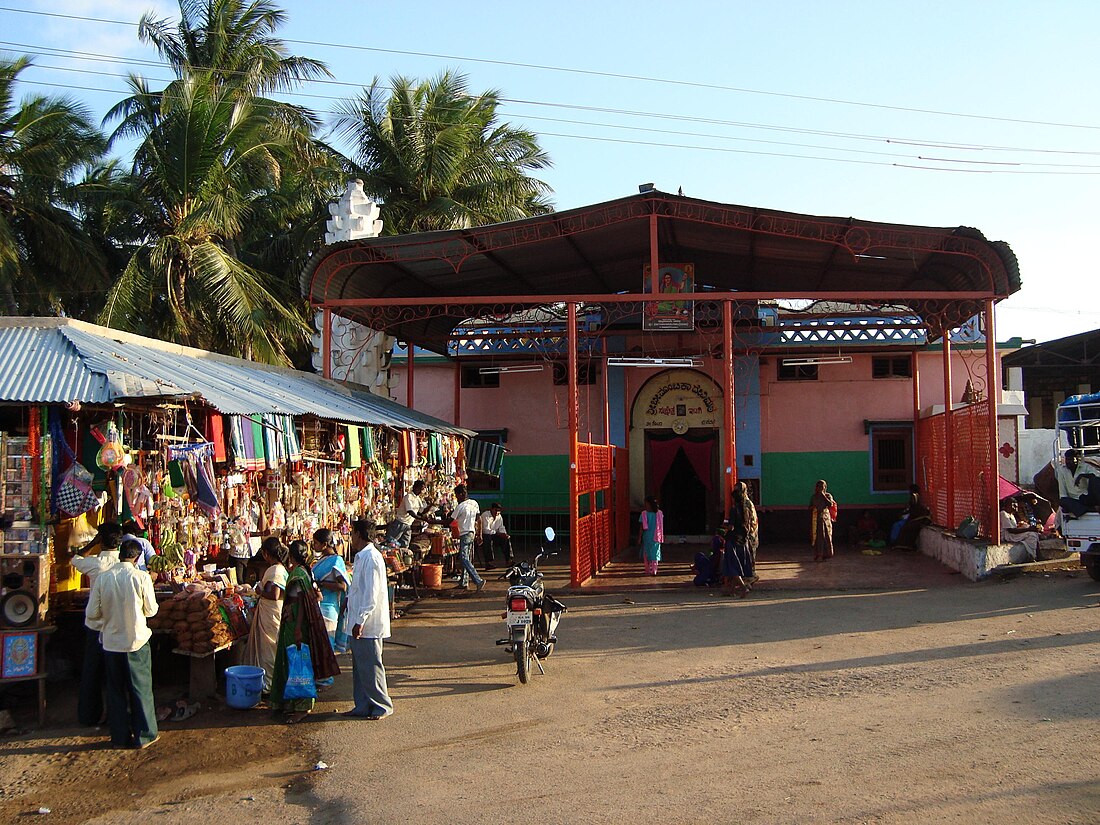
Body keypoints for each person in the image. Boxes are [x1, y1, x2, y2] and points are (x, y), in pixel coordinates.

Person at [84, 539, 159, 748]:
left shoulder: (103, 578)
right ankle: (145, 735)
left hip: (111, 643)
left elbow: (91, 613)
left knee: (115, 691)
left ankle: (119, 737)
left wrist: (107, 617)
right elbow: (152, 610)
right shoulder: (141, 577)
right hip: (136, 642)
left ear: (120, 555)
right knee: (141, 689)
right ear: (136, 558)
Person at [269, 541, 339, 722]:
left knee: (297, 664)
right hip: (295, 623)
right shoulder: (305, 571)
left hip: (296, 625)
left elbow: (300, 603)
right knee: (294, 661)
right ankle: (292, 702)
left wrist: (298, 628)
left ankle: (302, 706)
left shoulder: (299, 574)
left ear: (291, 555)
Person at [72, 522, 124, 727]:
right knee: (116, 673)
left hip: (97, 627)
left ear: (100, 540)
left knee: (91, 671)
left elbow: (74, 559)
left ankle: (89, 715)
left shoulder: (96, 563)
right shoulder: (126, 563)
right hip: (118, 626)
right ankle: (116, 715)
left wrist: (89, 546)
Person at [343, 518, 394, 720]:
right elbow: (359, 588)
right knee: (360, 668)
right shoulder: (362, 556)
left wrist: (360, 620)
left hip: (367, 624)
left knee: (371, 665)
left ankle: (382, 705)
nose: (351, 538)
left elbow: (371, 594)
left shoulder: (371, 557)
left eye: (353, 533)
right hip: (358, 619)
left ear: (358, 534)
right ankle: (363, 705)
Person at [242, 537, 288, 693]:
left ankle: (268, 686)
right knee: (271, 649)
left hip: (271, 613)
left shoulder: (275, 570)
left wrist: (260, 592)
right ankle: (271, 683)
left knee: (268, 651)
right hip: (274, 612)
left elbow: (274, 594)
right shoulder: (280, 569)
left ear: (266, 553)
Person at [312, 528, 351, 654]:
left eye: (316, 543)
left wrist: (321, 583)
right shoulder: (321, 560)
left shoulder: (335, 560)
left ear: (324, 545)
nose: (313, 546)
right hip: (318, 607)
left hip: (328, 609)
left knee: (326, 648)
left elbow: (342, 586)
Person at [450, 485, 485, 592]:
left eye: (456, 495)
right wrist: (479, 534)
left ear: (461, 494)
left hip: (465, 534)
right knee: (466, 559)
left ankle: (478, 580)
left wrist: (431, 521)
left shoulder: (460, 507)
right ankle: (464, 582)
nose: (456, 497)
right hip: (472, 532)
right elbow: (479, 520)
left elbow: (450, 521)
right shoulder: (474, 503)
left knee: (464, 558)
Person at [729, 481, 759, 576]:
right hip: (748, 533)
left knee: (749, 556)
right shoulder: (745, 502)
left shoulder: (745, 504)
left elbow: (748, 520)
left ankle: (750, 577)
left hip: (749, 534)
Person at [893, 484, 931, 549]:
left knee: (907, 528)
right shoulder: (916, 496)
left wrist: (906, 512)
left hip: (918, 517)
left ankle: (906, 545)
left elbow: (914, 507)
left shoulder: (915, 496)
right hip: (915, 517)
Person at [478, 503, 513, 570]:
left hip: (494, 535)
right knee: (488, 539)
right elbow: (486, 530)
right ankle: (489, 562)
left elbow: (501, 527)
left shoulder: (499, 517)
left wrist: (504, 534)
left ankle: (508, 560)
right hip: (484, 535)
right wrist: (498, 534)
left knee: (505, 539)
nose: (497, 512)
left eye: (499, 511)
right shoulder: (486, 515)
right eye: (495, 510)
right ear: (491, 509)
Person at [722, 524, 753, 597]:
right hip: (742, 539)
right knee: (737, 565)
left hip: (733, 540)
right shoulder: (746, 513)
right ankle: (732, 591)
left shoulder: (732, 513)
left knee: (732, 566)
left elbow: (731, 526)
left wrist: (725, 527)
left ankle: (743, 587)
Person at [809, 480, 836, 562]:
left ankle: (826, 554)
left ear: (825, 488)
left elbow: (830, 504)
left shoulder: (828, 495)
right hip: (816, 519)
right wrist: (813, 507)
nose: (819, 488)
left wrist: (823, 495)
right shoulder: (814, 497)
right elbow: (809, 507)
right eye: (818, 487)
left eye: (821, 487)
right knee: (817, 537)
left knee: (826, 536)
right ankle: (818, 554)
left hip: (825, 518)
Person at [639, 496, 663, 575]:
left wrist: (639, 538)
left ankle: (649, 569)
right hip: (655, 536)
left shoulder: (644, 514)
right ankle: (653, 569)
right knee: (654, 553)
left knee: (648, 553)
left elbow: (642, 527)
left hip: (649, 536)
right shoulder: (659, 513)